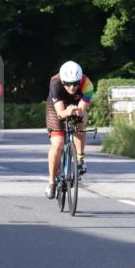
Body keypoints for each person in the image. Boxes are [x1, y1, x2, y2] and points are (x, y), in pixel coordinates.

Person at [45, 61, 94, 199]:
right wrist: (67, 111)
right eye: (68, 84)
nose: (72, 87)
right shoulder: (55, 83)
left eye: (75, 83)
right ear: (62, 80)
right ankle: (51, 182)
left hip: (76, 105)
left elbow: (83, 108)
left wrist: (78, 112)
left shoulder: (87, 84)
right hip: (57, 108)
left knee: (81, 121)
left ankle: (80, 159)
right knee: (58, 143)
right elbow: (60, 113)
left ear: (80, 80)